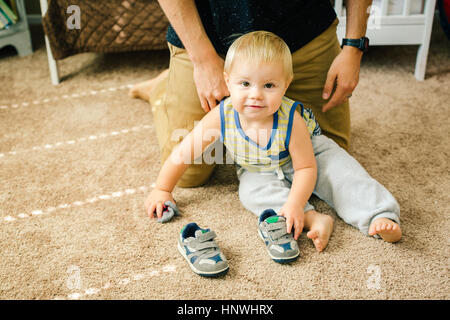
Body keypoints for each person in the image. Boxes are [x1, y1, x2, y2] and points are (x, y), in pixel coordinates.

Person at [145, 32, 402, 258]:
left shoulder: (291, 120)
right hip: (258, 168)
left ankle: (378, 214)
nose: (255, 94)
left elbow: (306, 169)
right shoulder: (221, 116)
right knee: (252, 193)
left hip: (309, 156)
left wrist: (294, 202)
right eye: (244, 84)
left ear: (285, 85)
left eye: (268, 85)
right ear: (227, 82)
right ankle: (315, 218)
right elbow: (185, 152)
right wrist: (162, 189)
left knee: (342, 173)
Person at [131, 0, 373, 188]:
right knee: (190, 175)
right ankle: (162, 88)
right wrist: (203, 60)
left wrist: (354, 47)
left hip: (303, 30)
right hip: (208, 37)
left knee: (329, 158)